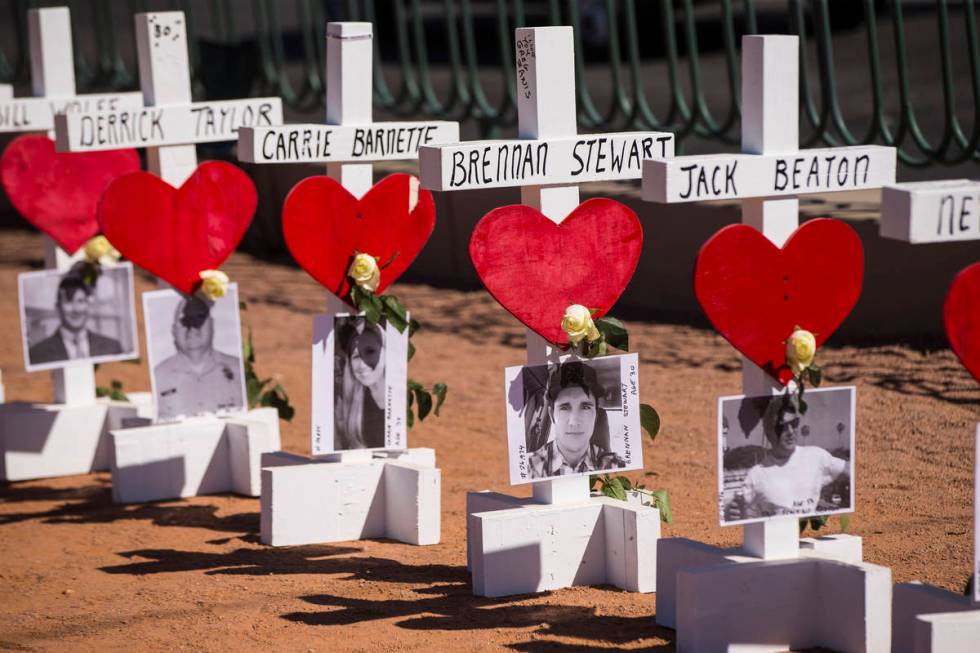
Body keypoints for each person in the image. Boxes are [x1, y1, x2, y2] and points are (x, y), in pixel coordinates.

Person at [725, 393, 849, 521]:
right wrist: (733, 515)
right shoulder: (756, 474)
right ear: (769, 431)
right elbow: (740, 513)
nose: (790, 431)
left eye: (794, 423)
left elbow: (851, 473)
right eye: (782, 426)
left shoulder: (816, 456)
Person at [528, 361, 625, 478]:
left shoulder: (617, 466)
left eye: (585, 407)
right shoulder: (529, 468)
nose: (574, 422)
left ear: (596, 415)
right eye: (564, 408)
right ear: (552, 415)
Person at [153, 295, 244, 420]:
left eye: (199, 318)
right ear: (174, 331)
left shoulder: (239, 370)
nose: (193, 327)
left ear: (212, 325)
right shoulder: (157, 378)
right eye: (184, 321)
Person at [29, 269, 122, 365]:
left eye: (81, 301)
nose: (76, 310)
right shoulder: (36, 355)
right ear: (57, 307)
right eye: (69, 302)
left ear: (88, 306)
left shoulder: (113, 348)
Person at [334, 317, 386, 449]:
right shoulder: (350, 404)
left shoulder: (399, 398)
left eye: (370, 351)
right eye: (356, 356)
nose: (362, 364)